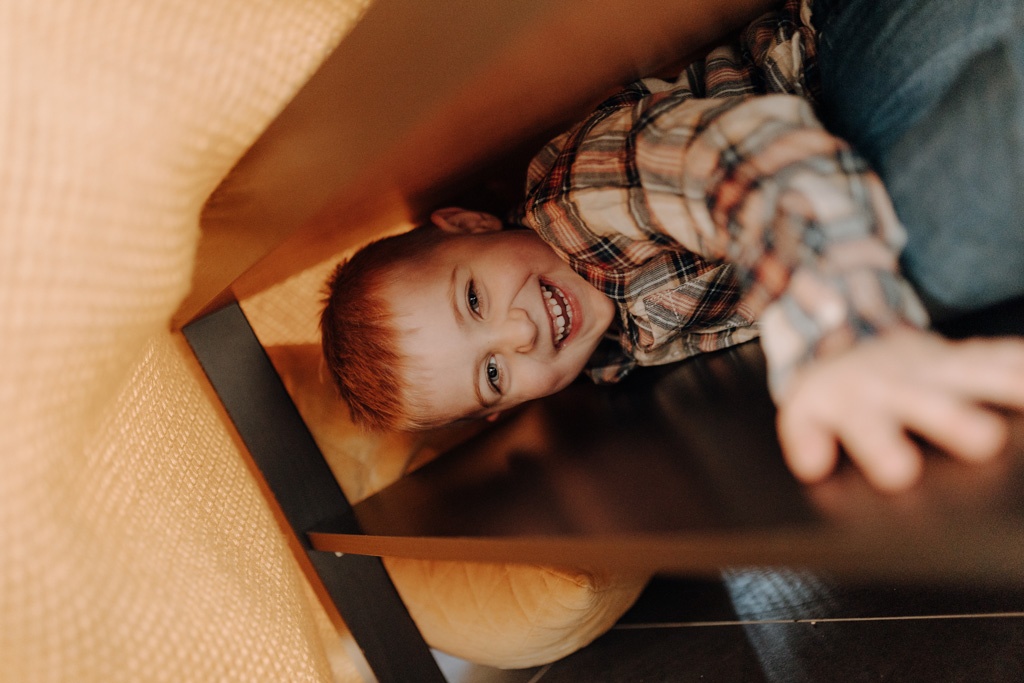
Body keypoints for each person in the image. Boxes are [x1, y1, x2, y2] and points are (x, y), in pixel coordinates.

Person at [321, 0, 1024, 492]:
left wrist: (839, 332)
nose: (520, 331)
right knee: (949, 241)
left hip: (835, 71)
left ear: (468, 226)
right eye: (495, 373)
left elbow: (737, 164)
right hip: (869, 199)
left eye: (473, 298)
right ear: (505, 410)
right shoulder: (617, 355)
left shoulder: (576, 199)